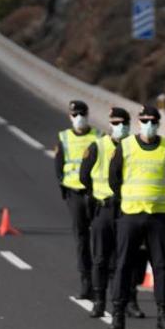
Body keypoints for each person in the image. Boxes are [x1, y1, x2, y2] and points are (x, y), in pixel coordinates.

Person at [107, 106, 165, 329]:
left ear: (159, 123)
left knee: (161, 266)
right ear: (139, 122)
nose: (148, 124)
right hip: (130, 215)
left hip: (158, 216)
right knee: (123, 265)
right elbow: (114, 178)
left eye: (152, 120)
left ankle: (163, 315)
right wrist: (126, 198)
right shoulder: (126, 146)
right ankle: (118, 314)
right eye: (144, 120)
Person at [79, 107, 145, 320]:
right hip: (104, 209)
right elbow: (84, 176)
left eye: (124, 123)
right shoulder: (98, 146)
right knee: (100, 258)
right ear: (109, 124)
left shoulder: (135, 147)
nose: (120, 127)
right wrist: (96, 194)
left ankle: (130, 301)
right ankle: (99, 301)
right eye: (115, 123)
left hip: (128, 209)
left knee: (128, 259)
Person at [55, 100, 101, 299]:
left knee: (101, 237)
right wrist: (64, 189)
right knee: (81, 238)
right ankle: (86, 281)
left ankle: (103, 278)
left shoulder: (98, 136)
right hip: (74, 193)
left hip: (95, 194)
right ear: (69, 117)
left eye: (81, 113)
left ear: (88, 114)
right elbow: (59, 165)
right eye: (74, 114)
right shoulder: (64, 138)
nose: (78, 118)